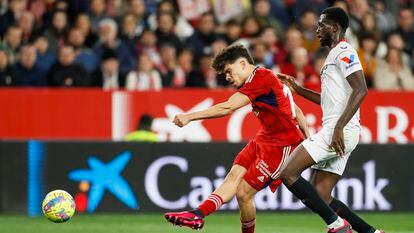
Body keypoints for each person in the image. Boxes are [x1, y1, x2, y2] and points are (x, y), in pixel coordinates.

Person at [164, 44, 308, 232]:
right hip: (265, 138)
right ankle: (198, 214)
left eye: (229, 71)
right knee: (233, 177)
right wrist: (308, 136)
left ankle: (334, 218)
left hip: (282, 145)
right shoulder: (265, 78)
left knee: (243, 193)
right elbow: (295, 108)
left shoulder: (261, 78)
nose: (228, 78)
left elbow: (228, 107)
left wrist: (189, 116)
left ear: (242, 64)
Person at [277, 7, 384, 233]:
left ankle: (337, 226)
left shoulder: (344, 50)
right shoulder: (333, 55)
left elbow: (361, 89)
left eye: (321, 25)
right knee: (322, 195)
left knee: (287, 173)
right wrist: (298, 89)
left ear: (334, 27)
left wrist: (339, 127)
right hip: (341, 130)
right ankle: (370, 232)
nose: (317, 30)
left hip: (339, 130)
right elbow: (329, 101)